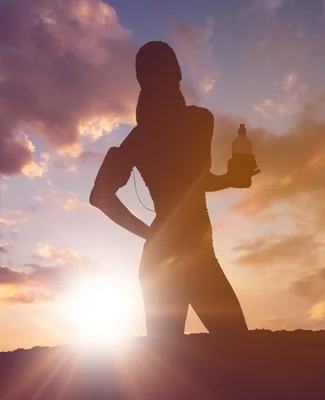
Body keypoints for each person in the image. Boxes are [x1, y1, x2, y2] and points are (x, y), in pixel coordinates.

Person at [89, 41, 259, 340]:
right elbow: (194, 180)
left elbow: (190, 181)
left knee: (173, 360)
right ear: (178, 72)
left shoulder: (142, 137)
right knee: (234, 348)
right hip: (182, 256)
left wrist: (152, 234)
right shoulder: (198, 120)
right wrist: (152, 235)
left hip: (179, 256)